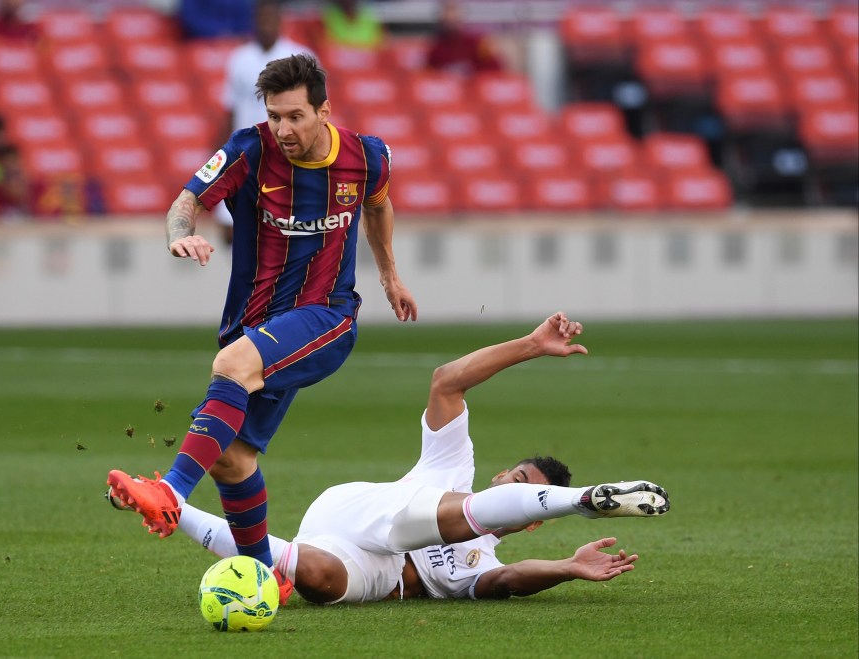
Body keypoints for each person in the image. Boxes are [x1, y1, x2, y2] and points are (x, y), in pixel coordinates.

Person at [107, 54, 419, 603]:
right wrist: (180, 234)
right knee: (231, 457)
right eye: (275, 116)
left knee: (231, 368)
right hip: (252, 321)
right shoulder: (249, 150)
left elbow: (379, 205)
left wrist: (391, 276)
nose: (284, 129)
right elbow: (186, 202)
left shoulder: (369, 157)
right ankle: (261, 576)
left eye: (296, 116)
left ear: (325, 111)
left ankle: (170, 491)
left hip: (326, 314)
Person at [109, 312, 669, 603]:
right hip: (359, 510)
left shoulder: (483, 566)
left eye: (523, 497)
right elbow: (446, 382)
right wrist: (529, 345)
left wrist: (568, 568)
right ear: (504, 479)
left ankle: (171, 508)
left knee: (321, 581)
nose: (511, 489)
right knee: (427, 520)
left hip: (366, 565)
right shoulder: (454, 466)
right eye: (515, 480)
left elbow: (509, 581)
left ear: (530, 523)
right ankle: (584, 501)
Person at [213, 0, 315, 245]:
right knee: (233, 233)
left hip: (285, 156)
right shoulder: (240, 58)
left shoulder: (300, 58)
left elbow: (315, 113)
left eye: (270, 18)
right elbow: (230, 109)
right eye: (261, 18)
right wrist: (219, 154)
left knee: (283, 233)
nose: (265, 24)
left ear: (281, 20)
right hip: (246, 156)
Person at [426, 0, 504, 75]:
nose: (450, 16)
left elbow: (496, 72)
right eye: (447, 11)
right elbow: (430, 77)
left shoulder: (478, 44)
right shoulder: (436, 50)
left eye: (454, 10)